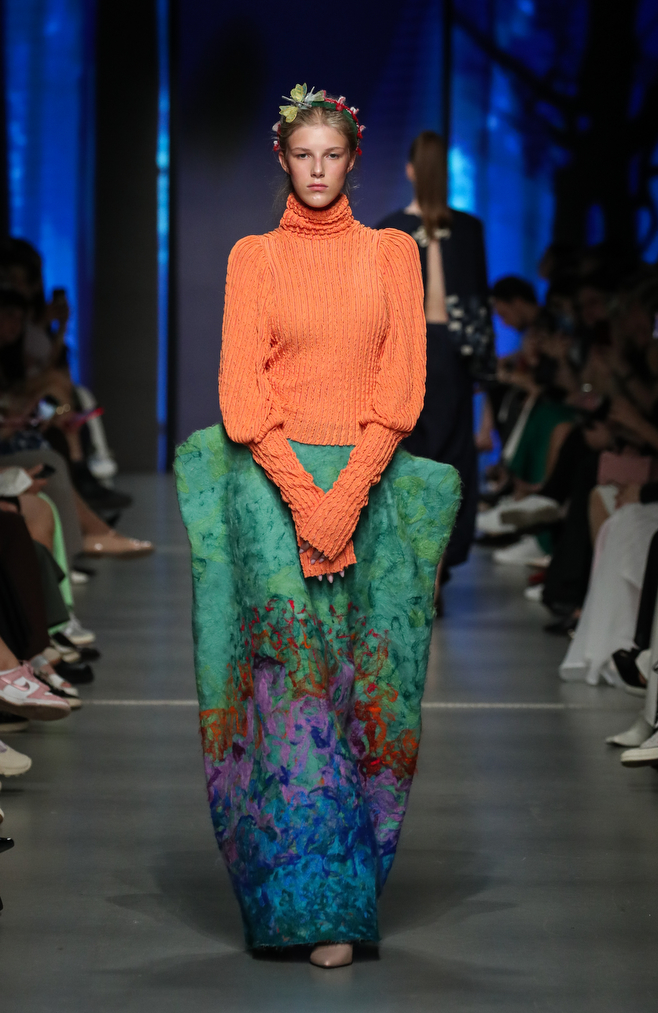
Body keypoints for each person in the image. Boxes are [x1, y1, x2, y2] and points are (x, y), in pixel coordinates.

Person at [175, 86, 459, 968]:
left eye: (333, 155)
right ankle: (310, 908)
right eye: (303, 156)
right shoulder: (254, 257)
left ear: (355, 159)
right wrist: (307, 502)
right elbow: (242, 398)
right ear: (283, 158)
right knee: (291, 700)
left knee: (367, 693)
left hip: (369, 487)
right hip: (272, 489)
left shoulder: (390, 253)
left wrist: (346, 499)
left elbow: (400, 391)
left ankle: (344, 884)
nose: (318, 170)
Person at [377, 131, 489, 570]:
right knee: (449, 455)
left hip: (415, 354)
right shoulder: (467, 230)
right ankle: (434, 566)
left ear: (410, 170)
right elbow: (478, 312)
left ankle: (421, 566)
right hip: (447, 355)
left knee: (413, 454)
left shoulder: (390, 229)